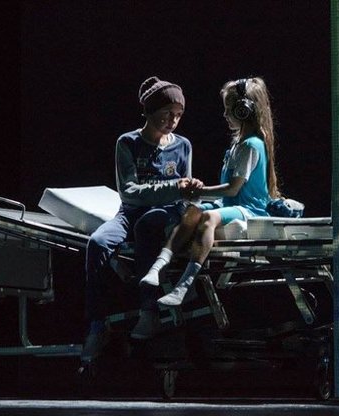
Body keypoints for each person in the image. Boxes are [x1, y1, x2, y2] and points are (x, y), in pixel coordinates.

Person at [82, 76, 202, 362]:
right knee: (97, 243)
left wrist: (191, 192)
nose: (173, 120)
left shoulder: (183, 145)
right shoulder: (128, 142)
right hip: (130, 211)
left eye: (178, 115)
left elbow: (185, 194)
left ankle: (149, 312)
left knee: (147, 225)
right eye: (167, 113)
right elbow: (130, 192)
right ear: (149, 111)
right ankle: (97, 326)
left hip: (164, 213)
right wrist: (175, 186)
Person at [139, 77, 280, 310]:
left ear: (243, 110)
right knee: (192, 211)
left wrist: (199, 190)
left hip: (250, 209)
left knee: (208, 217)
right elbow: (226, 194)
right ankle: (160, 264)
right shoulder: (237, 144)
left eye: (228, 109)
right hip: (231, 204)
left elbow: (233, 189)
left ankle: (185, 285)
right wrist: (195, 196)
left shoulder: (251, 145)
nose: (225, 114)